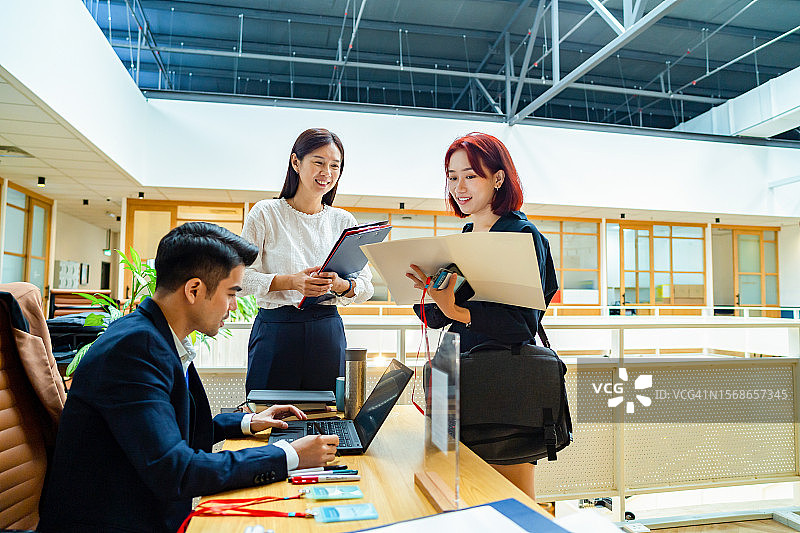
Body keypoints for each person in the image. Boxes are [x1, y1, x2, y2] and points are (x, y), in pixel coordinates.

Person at [38, 222, 339, 533]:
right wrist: (288, 455)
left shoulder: (154, 334)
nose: (233, 306)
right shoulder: (134, 349)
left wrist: (249, 422)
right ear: (194, 290)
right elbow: (176, 470)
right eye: (231, 293)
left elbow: (173, 430)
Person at [406, 132, 558, 499]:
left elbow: (520, 325)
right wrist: (428, 292)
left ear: (498, 178)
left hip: (504, 380)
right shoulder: (467, 233)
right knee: (453, 495)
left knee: (511, 502)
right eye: (452, 177)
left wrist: (453, 308)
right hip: (456, 374)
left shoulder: (520, 234)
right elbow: (445, 315)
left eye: (470, 176)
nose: (459, 187)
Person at [242, 128, 373, 395]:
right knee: (268, 411)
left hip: (327, 332)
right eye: (319, 162)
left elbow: (366, 286)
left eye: (335, 166)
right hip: (276, 332)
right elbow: (240, 278)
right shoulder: (265, 213)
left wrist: (340, 285)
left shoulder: (343, 221)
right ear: (296, 162)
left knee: (329, 413)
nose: (327, 172)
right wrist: (291, 282)